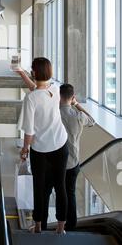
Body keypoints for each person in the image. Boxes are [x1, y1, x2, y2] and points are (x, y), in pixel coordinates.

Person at [15, 58, 68, 234]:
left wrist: (24, 150)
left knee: (39, 187)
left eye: (31, 70)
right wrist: (21, 72)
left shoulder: (30, 99)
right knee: (61, 186)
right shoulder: (54, 89)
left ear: (35, 73)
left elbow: (29, 131)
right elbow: (38, 90)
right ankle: (61, 228)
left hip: (41, 150)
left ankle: (38, 226)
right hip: (60, 144)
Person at [42, 84, 95, 231]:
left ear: (59, 97)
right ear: (72, 98)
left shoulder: (52, 115)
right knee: (68, 193)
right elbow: (92, 120)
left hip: (52, 163)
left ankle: (42, 225)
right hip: (72, 163)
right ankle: (70, 226)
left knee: (46, 193)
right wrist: (77, 104)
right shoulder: (78, 116)